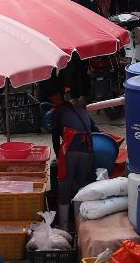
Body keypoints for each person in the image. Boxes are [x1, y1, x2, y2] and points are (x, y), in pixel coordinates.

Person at [51, 96, 98, 230]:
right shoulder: (83, 111)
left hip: (70, 151)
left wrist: (58, 156)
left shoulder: (57, 111)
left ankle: (64, 227)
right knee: (81, 187)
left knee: (64, 187)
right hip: (87, 151)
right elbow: (96, 132)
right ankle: (80, 228)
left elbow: (55, 137)